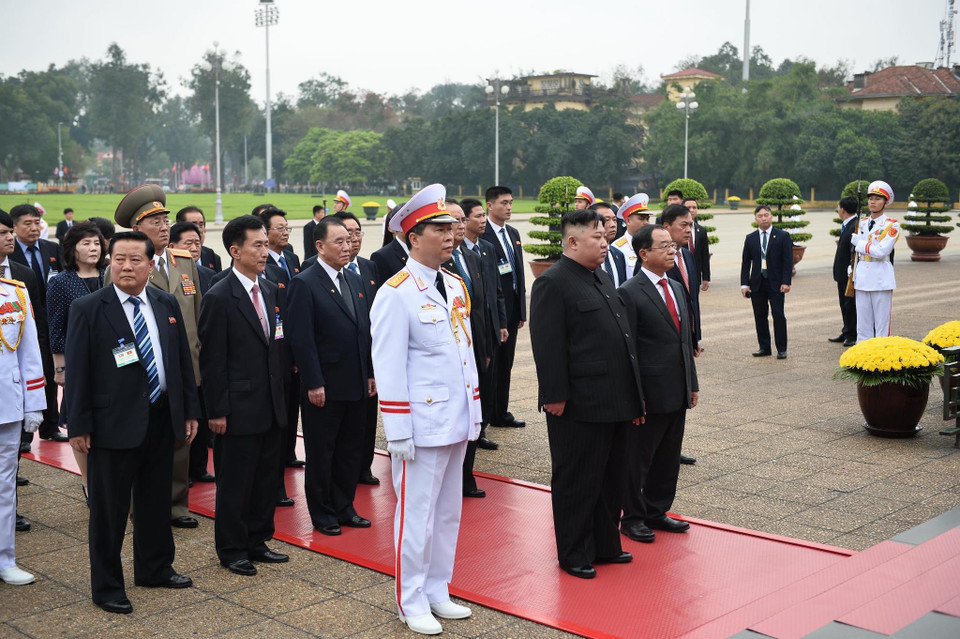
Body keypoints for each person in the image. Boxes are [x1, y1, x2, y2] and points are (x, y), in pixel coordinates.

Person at [66, 231, 199, 614]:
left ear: (150, 264)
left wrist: (189, 410)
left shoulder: (164, 302)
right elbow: (78, 373)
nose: (126, 266)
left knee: (156, 500)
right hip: (112, 424)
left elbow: (179, 364)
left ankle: (155, 568)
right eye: (119, 258)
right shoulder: (89, 308)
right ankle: (107, 586)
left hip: (160, 419)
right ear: (111, 261)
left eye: (135, 260)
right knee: (109, 511)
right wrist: (78, 424)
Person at [370, 183, 480, 635]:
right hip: (420, 426)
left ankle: (438, 588)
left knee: (448, 513)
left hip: (454, 419)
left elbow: (462, 354)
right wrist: (397, 432)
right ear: (413, 237)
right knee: (415, 517)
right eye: (438, 228)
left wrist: (474, 412)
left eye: (451, 226)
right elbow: (389, 366)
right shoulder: (396, 293)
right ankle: (409, 598)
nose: (450, 233)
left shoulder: (453, 285)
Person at [529, 208, 644, 580]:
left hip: (616, 400)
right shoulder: (554, 282)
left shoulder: (601, 276)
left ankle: (606, 544)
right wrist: (554, 396)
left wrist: (636, 398)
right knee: (578, 480)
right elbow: (547, 346)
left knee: (612, 478)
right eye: (597, 237)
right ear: (573, 241)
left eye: (605, 236)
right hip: (579, 403)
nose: (605, 241)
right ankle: (574, 551)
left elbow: (624, 341)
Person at [199, 215, 289, 577]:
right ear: (235, 251)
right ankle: (232, 548)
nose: (265, 251)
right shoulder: (220, 295)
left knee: (266, 477)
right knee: (235, 482)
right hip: (237, 407)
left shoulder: (268, 289)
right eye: (257, 244)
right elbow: (212, 359)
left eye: (266, 243)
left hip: (270, 403)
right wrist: (217, 410)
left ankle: (257, 539)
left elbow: (276, 345)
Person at [109, 185, 203, 529]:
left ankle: (177, 503)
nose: (164, 226)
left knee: (181, 437)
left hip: (185, 365)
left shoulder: (185, 261)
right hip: (144, 368)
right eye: (155, 221)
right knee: (141, 438)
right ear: (137, 229)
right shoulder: (125, 267)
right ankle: (139, 501)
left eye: (165, 219)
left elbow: (196, 312)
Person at [286, 217, 374, 536]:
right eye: (339, 241)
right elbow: (301, 338)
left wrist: (370, 373)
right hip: (324, 385)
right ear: (320, 246)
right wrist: (313, 381)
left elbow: (363, 330)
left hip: (356, 381)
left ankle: (345, 506)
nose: (347, 246)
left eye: (349, 240)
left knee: (351, 449)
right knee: (323, 452)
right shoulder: (305, 282)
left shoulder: (353, 279)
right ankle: (323, 513)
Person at [619, 225, 699, 543]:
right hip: (649, 394)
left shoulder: (676, 287)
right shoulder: (630, 291)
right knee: (639, 459)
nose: (671, 251)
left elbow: (684, 341)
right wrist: (634, 398)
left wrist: (691, 383)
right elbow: (629, 352)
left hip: (677, 389)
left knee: (668, 456)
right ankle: (633, 517)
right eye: (663, 246)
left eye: (672, 246)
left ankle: (657, 510)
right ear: (643, 254)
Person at [46, 221, 107, 502]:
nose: (93, 248)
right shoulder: (61, 282)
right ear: (73, 249)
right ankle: (88, 484)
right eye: (86, 243)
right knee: (80, 422)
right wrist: (61, 368)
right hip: (78, 363)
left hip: (115, 362)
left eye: (96, 243)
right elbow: (56, 328)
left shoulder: (111, 275)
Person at [0, 238, 46, 587]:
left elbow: (29, 351)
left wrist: (35, 405)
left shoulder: (14, 292)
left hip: (7, 404)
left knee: (4, 487)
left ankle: (5, 558)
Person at [442, 200, 494, 498]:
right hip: (451, 356)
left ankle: (467, 477)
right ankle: (452, 477)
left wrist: (485, 349)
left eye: (462, 220)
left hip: (474, 351)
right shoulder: (440, 263)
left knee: (474, 414)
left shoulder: (473, 258)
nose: (459, 226)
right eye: (453, 221)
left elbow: (481, 310)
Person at [9, 204, 65, 444]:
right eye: (27, 223)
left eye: (36, 222)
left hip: (49, 319)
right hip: (22, 321)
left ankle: (51, 426)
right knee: (27, 373)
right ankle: (23, 433)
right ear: (14, 227)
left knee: (51, 372)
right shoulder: (9, 254)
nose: (33, 228)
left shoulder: (52, 248)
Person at [168, 221, 215, 485]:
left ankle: (199, 467)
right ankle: (180, 473)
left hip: (200, 356)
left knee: (200, 414)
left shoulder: (206, 273)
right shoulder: (164, 271)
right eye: (189, 243)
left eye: (198, 242)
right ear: (172, 246)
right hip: (176, 356)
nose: (195, 247)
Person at [259, 208, 303, 474]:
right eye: (279, 228)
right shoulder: (265, 266)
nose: (285, 232)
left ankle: (289, 451)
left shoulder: (292, 257)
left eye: (287, 227)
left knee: (292, 402)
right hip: (276, 341)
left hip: (291, 340)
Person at [460, 198, 505, 452]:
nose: (482, 220)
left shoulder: (486, 248)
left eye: (482, 216)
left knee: (488, 379)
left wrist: (499, 322)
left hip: (488, 325)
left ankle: (482, 427)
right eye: (477, 216)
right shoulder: (454, 254)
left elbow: (495, 289)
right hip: (466, 328)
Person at [481, 186, 526, 429]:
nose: (509, 207)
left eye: (511, 202)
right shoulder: (483, 234)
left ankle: (501, 412)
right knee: (493, 366)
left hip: (512, 311)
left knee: (506, 364)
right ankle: (487, 416)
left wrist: (521, 311)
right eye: (504, 203)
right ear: (490, 205)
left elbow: (518, 274)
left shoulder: (513, 232)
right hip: (494, 313)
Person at [741, 205, 793, 359]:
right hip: (757, 283)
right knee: (759, 316)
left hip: (776, 283)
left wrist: (786, 282)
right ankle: (764, 347)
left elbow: (787, 261)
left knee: (778, 315)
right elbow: (745, 263)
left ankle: (782, 348)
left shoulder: (782, 236)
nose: (763, 218)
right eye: (760, 216)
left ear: (771, 216)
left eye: (766, 215)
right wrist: (744, 284)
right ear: (755, 219)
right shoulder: (750, 238)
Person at [852, 181, 901, 342]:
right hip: (862, 277)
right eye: (871, 198)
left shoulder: (891, 225)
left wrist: (860, 243)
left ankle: (881, 360)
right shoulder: (863, 222)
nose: (873, 202)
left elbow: (881, 251)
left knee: (881, 326)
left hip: (880, 277)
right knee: (862, 326)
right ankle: (861, 360)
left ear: (886, 202)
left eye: (878, 199)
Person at [830, 196, 859, 347]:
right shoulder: (848, 224)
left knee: (849, 304)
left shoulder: (856, 225)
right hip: (842, 273)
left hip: (849, 273)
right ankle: (846, 329)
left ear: (842, 209)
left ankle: (851, 335)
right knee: (844, 303)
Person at [609, 193, 651, 278]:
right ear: (628, 221)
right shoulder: (617, 248)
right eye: (641, 219)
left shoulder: (653, 244)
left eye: (647, 219)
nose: (646, 222)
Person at [371, 205, 410, 284]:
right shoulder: (381, 256)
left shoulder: (428, 250)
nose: (408, 224)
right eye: (402, 221)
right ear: (391, 227)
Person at [175, 206, 221, 273]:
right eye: (193, 224)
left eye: (201, 225)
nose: (198, 229)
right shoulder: (171, 255)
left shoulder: (211, 256)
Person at [591, 202, 627, 288]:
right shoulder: (588, 256)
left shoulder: (618, 254)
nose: (613, 225)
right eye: (606, 220)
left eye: (614, 220)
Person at [683, 198, 711, 291]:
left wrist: (706, 277)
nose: (691, 210)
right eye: (688, 207)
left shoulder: (701, 230)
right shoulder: (676, 229)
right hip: (681, 273)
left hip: (695, 274)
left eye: (694, 207)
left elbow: (704, 254)